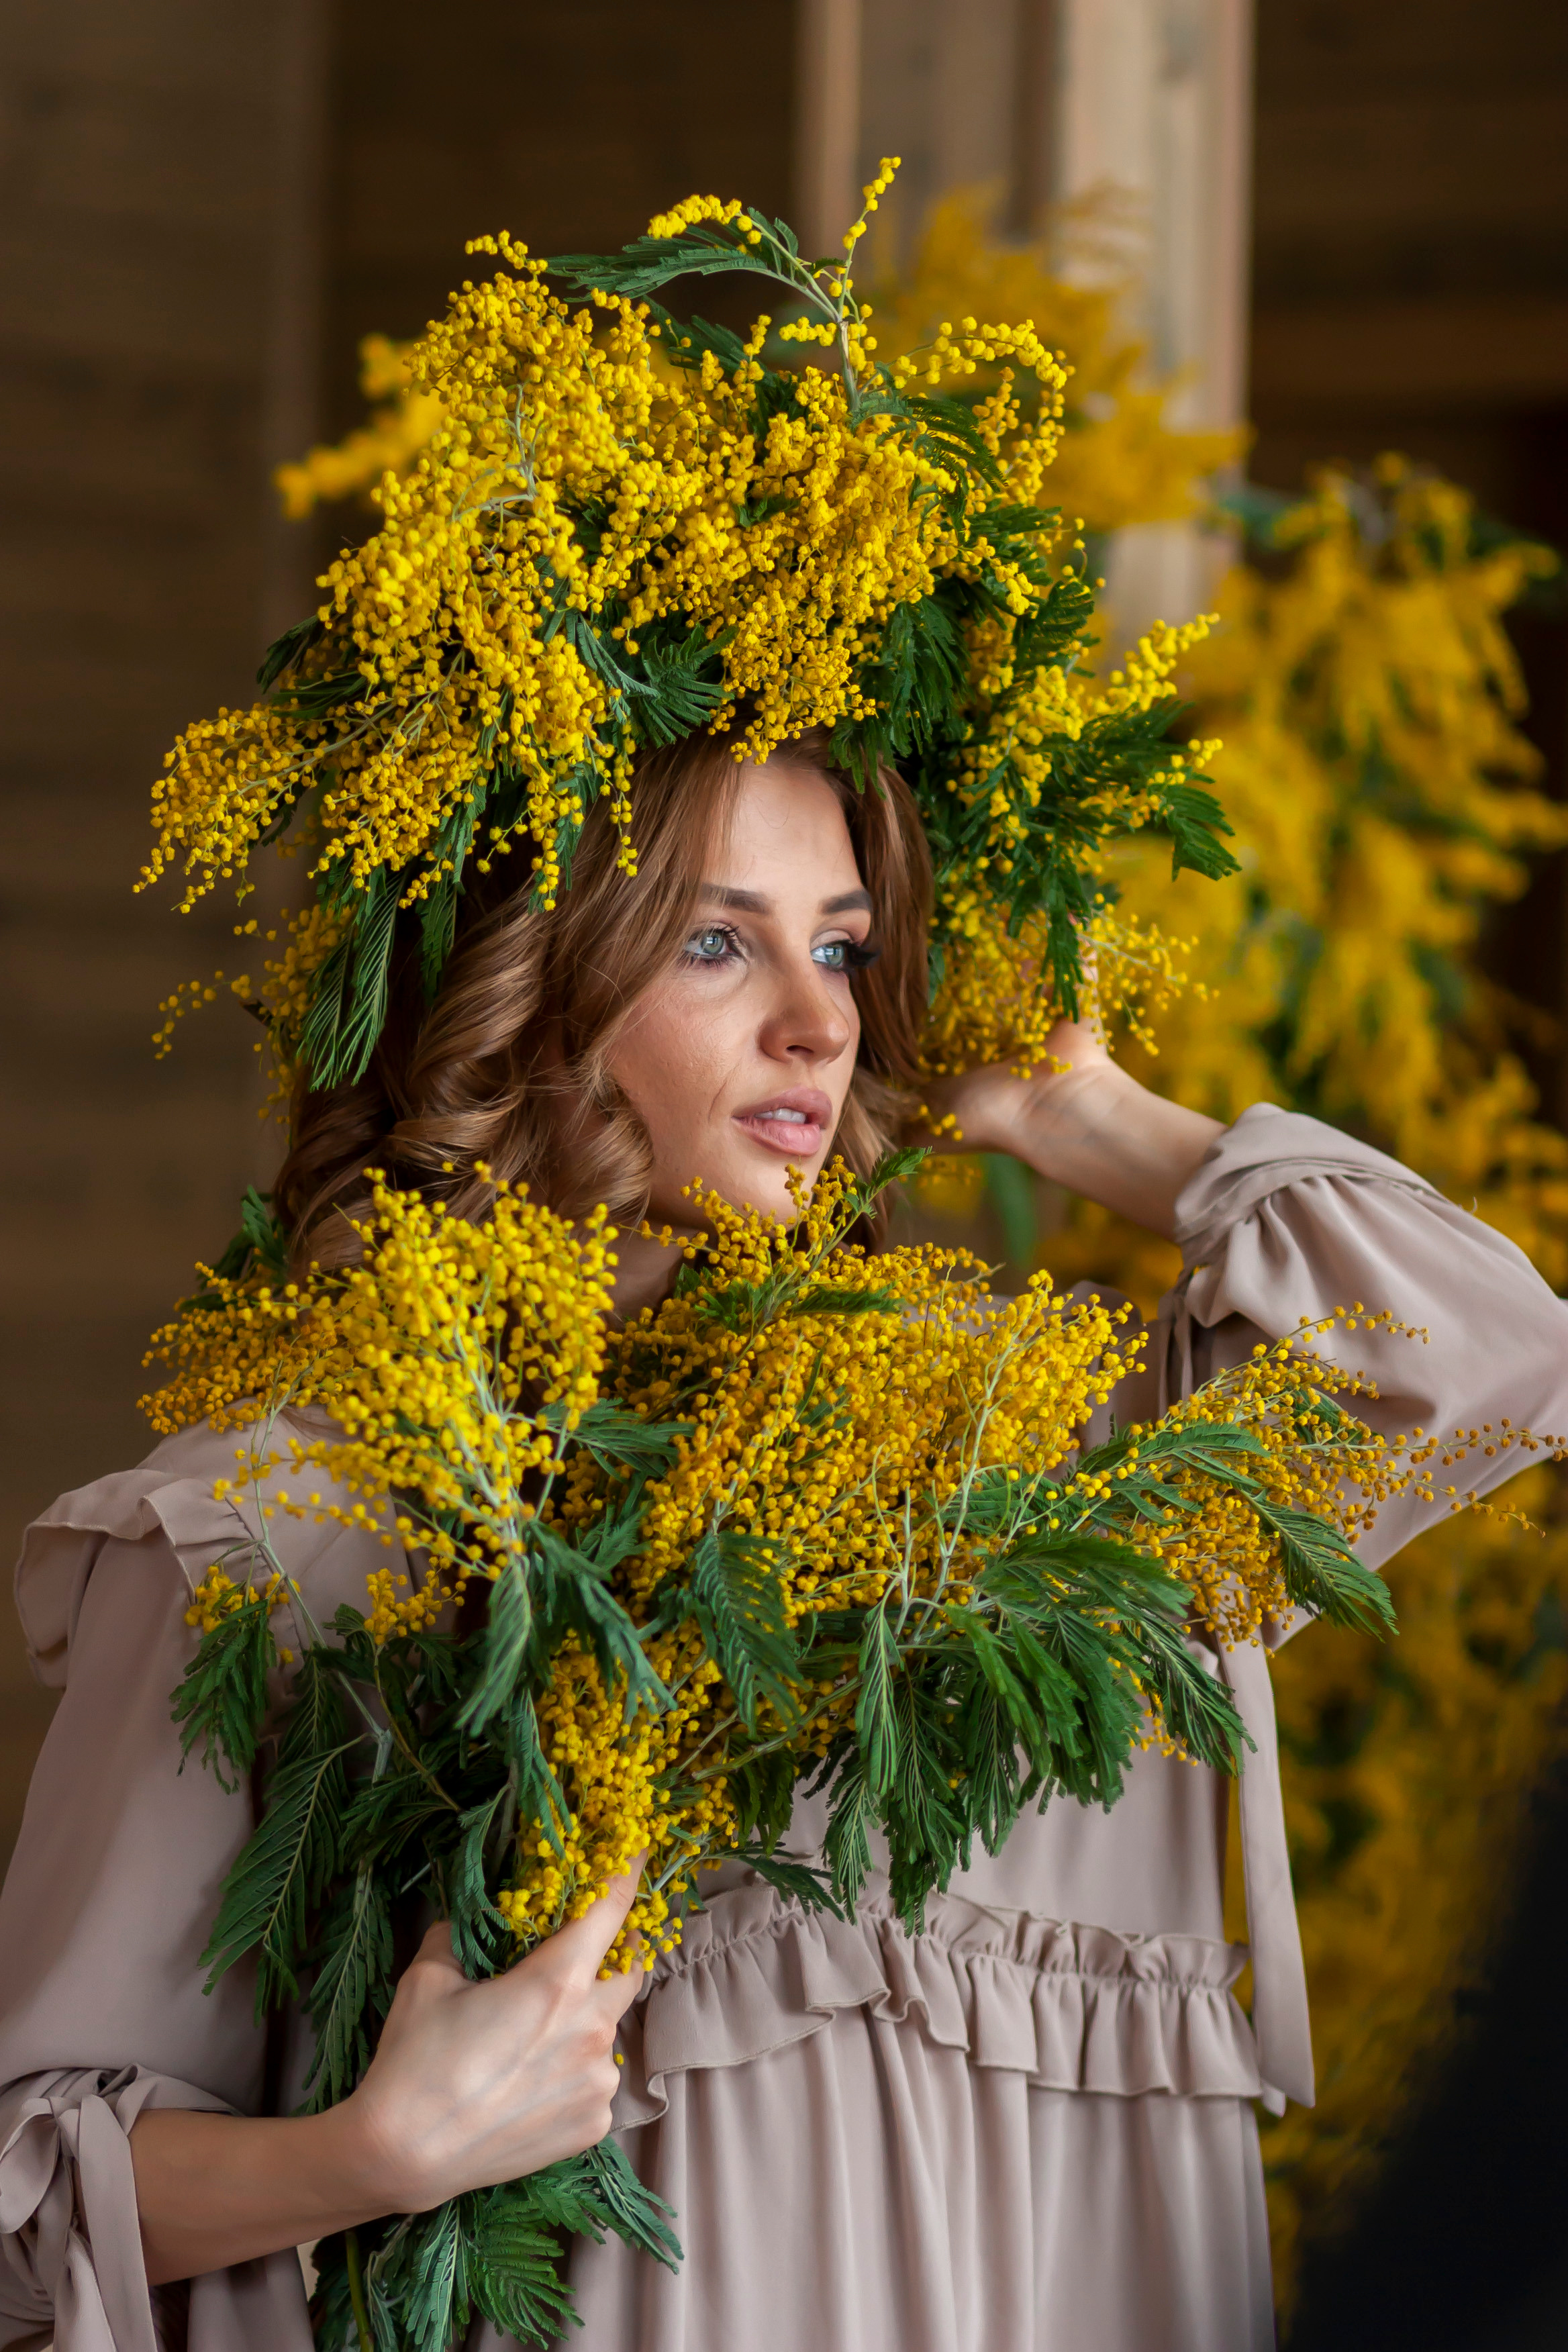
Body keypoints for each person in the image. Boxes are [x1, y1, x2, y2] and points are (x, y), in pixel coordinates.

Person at [3, 730, 1567, 2352]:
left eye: (842, 948)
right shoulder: (280, 1528)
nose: (819, 1020)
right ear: (529, 982)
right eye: (713, 941)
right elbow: (33, 2203)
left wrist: (1082, 1115)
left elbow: (1486, 1355)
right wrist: (370, 2156)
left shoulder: (1010, 1458)